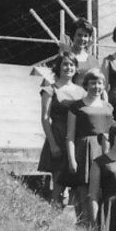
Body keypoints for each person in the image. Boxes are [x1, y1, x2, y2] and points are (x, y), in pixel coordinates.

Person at [37, 51, 85, 210]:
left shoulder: (82, 92)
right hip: (58, 136)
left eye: (71, 64)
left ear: (76, 68)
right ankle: (54, 216)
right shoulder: (49, 90)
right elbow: (45, 118)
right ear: (58, 67)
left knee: (77, 184)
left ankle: (77, 219)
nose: (68, 67)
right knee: (58, 183)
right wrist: (53, 145)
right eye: (65, 64)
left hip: (76, 139)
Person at [65, 70, 112, 226]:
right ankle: (85, 225)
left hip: (103, 150)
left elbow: (111, 133)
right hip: (84, 151)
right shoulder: (76, 106)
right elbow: (70, 135)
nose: (96, 86)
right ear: (86, 85)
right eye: (93, 83)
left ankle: (100, 226)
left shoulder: (108, 107)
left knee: (101, 190)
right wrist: (72, 159)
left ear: (104, 86)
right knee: (84, 191)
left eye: (99, 83)